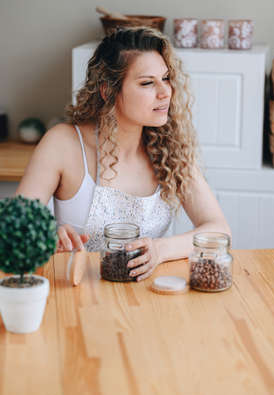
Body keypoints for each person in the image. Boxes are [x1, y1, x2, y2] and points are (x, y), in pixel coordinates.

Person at [16, 26, 231, 281]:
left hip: (149, 299)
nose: (165, 92)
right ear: (108, 90)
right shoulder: (63, 144)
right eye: (147, 83)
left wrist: (161, 250)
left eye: (166, 78)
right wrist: (47, 239)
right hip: (77, 297)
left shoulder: (170, 149)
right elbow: (14, 226)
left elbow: (220, 231)